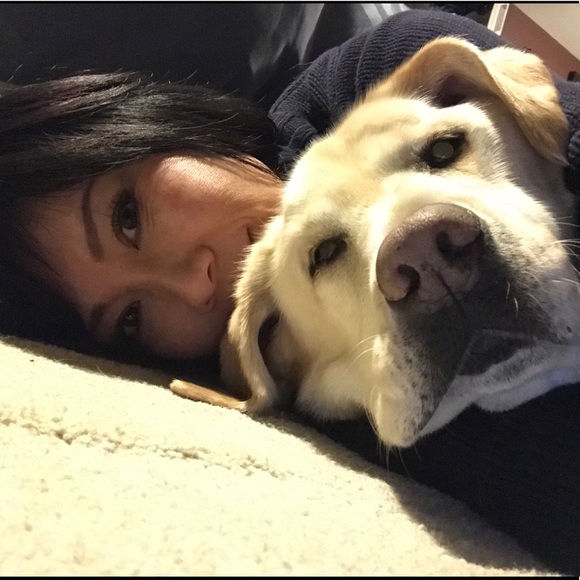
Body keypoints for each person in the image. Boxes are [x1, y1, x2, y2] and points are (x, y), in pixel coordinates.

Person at [0, 8, 578, 574]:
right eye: (130, 317)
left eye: (128, 219)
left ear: (158, 123)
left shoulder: (385, 65)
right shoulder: (279, 347)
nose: (195, 286)